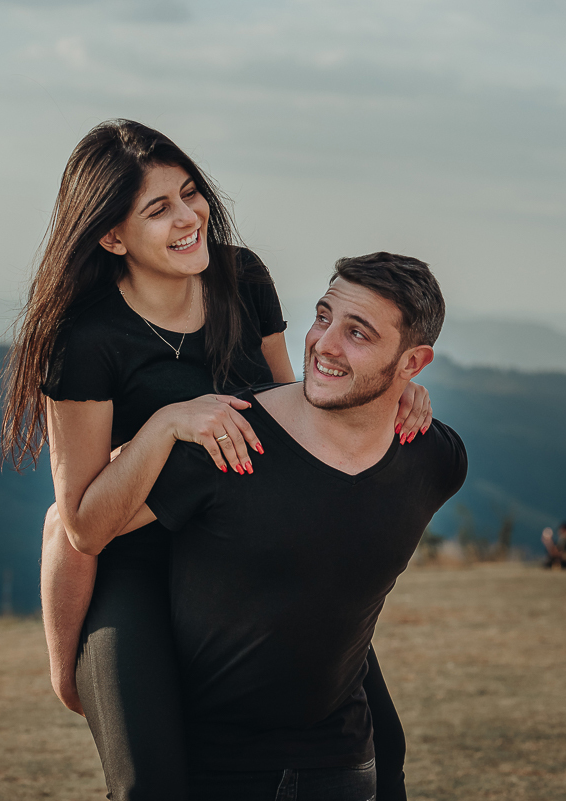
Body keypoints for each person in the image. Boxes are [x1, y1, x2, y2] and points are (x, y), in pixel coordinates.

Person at [0, 121, 433, 800]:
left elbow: (301, 404)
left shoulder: (241, 276)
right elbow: (83, 522)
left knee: (388, 747)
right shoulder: (83, 339)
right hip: (140, 562)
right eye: (157, 208)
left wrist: (387, 390)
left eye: (190, 192)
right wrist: (168, 425)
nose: (188, 216)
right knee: (152, 783)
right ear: (112, 237)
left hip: (248, 551)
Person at [84, 252, 467, 799]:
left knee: (394, 758)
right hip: (215, 761)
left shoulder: (436, 460)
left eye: (357, 332)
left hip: (341, 761)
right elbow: (76, 528)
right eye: (323, 316)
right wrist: (64, 663)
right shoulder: (226, 441)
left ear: (412, 364)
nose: (325, 343)